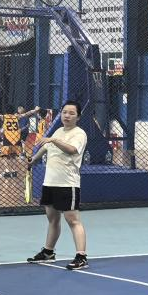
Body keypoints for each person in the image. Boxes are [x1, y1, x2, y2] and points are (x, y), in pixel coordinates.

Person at [26, 100, 90, 270]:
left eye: (71, 113)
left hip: (67, 184)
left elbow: (72, 149)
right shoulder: (58, 131)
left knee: (73, 220)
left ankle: (81, 256)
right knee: (52, 219)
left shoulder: (79, 134)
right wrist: (34, 160)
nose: (67, 116)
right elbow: (46, 147)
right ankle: (48, 252)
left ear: (78, 117)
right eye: (64, 112)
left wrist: (53, 140)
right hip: (50, 182)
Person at [0, 105, 42, 177]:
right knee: (13, 156)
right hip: (15, 138)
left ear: (5, 111)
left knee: (5, 156)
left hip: (8, 138)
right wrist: (34, 110)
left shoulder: (4, 117)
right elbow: (27, 114)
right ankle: (13, 171)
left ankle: (7, 171)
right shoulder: (16, 116)